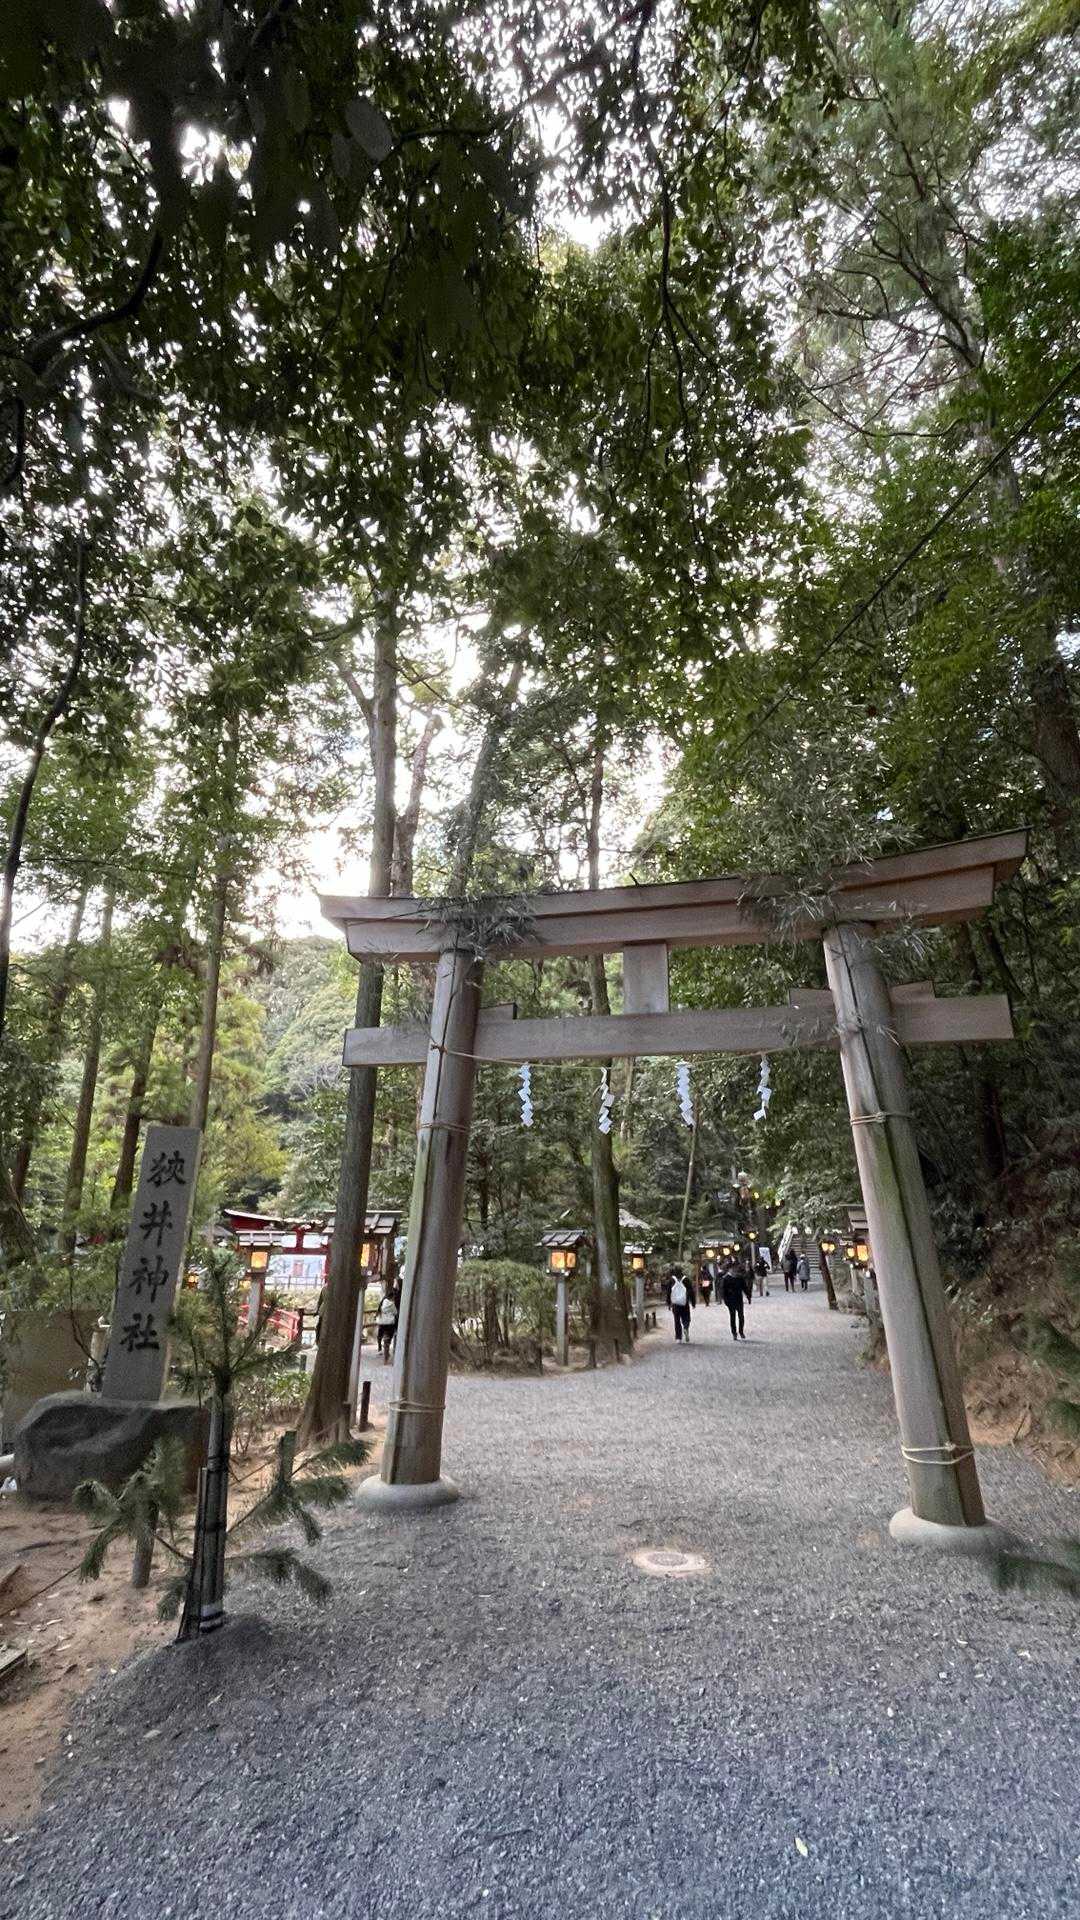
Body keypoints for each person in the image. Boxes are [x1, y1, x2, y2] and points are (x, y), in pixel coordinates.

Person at [722, 1258, 752, 1341]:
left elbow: (745, 1288)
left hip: (739, 1299)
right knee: (733, 1317)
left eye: (735, 1268)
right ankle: (734, 1333)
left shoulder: (739, 1278)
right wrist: (726, 1301)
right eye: (732, 1268)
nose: (734, 1270)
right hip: (730, 1300)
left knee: (741, 1316)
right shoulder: (726, 1279)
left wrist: (748, 1296)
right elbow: (723, 1291)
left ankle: (741, 1331)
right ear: (729, 1269)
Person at [665, 1266, 695, 1343]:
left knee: (677, 1320)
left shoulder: (671, 1280)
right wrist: (693, 1302)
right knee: (686, 1318)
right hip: (684, 1303)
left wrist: (668, 1303)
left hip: (675, 1304)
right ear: (682, 1271)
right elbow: (691, 1291)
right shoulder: (686, 1279)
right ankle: (685, 1327)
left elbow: (668, 1292)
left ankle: (678, 1338)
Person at [375, 1283, 399, 1363]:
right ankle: (386, 1353)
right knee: (389, 1338)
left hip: (382, 1323)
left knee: (380, 1336)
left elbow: (378, 1312)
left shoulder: (382, 1302)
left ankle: (380, 1348)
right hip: (390, 1324)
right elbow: (395, 1312)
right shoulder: (392, 1304)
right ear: (392, 1297)